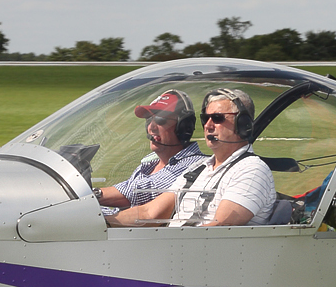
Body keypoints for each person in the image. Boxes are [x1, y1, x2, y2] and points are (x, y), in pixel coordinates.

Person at [107, 87, 276, 227]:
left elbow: (218, 229)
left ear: (243, 125)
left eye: (217, 118)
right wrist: (103, 223)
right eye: (205, 118)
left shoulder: (252, 170)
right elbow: (150, 212)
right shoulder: (199, 168)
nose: (208, 125)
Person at [97, 90, 206, 213]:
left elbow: (139, 192)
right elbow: (123, 209)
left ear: (183, 127)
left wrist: (91, 196)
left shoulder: (194, 166)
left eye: (160, 120)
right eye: (149, 120)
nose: (151, 127)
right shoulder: (149, 164)